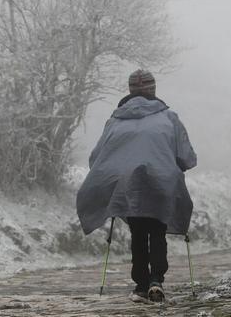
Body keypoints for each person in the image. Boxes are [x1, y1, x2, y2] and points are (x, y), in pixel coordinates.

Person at [76, 69, 197, 303]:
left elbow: (96, 158)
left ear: (130, 91)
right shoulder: (169, 118)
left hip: (127, 187)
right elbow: (186, 158)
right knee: (158, 230)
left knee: (139, 232)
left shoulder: (115, 121)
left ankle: (141, 284)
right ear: (153, 90)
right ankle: (156, 279)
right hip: (161, 183)